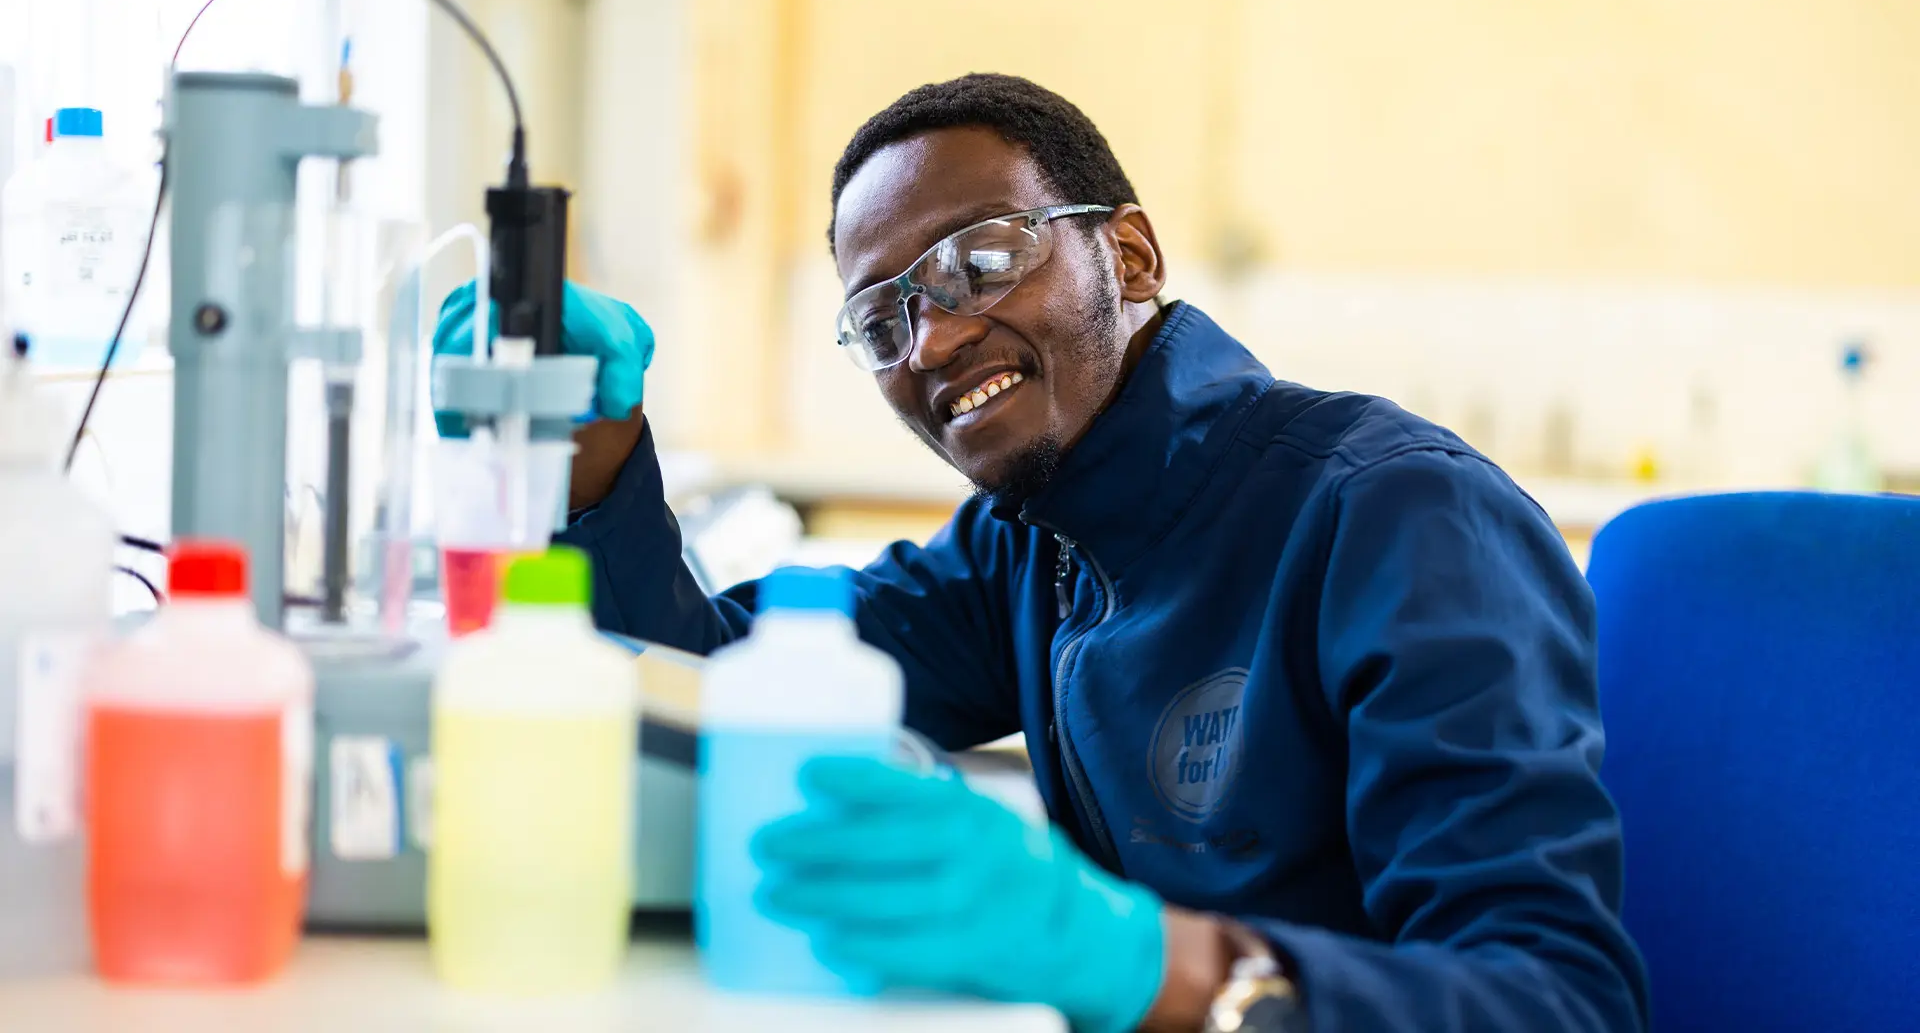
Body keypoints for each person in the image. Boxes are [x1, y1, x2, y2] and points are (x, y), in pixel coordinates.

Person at [434, 74, 1648, 1033]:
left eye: (981, 258)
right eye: (883, 316)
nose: (939, 335)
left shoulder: (1398, 519)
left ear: (1128, 256)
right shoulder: (1029, 546)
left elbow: (1556, 1000)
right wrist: (595, 449)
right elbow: (719, 679)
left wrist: (1150, 964)